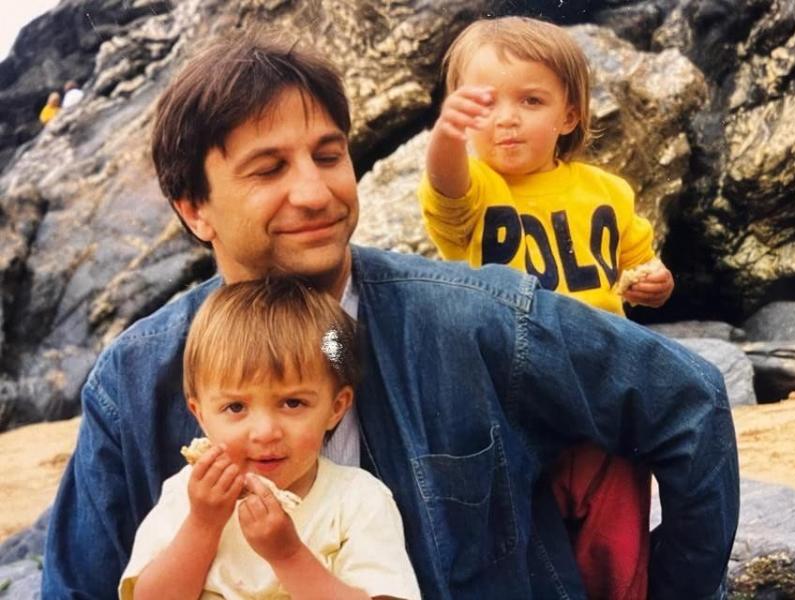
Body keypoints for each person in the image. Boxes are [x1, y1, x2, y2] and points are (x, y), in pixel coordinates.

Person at [42, 33, 738, 600]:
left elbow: (691, 402)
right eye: (268, 169)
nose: (314, 192)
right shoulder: (134, 382)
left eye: (328, 155)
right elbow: (78, 588)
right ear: (194, 209)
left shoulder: (477, 318)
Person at [417, 16, 674, 599]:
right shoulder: (478, 191)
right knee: (527, 533)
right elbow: (446, 184)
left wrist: (655, 283)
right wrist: (447, 137)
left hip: (601, 392)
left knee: (617, 529)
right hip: (514, 397)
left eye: (531, 100)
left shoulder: (607, 192)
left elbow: (641, 262)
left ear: (569, 115)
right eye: (484, 104)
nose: (506, 117)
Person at [119, 277, 420, 599]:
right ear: (200, 415)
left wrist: (289, 555)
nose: (265, 432)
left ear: (336, 408)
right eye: (235, 407)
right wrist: (203, 525)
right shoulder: (189, 496)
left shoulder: (356, 500)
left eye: (293, 403)